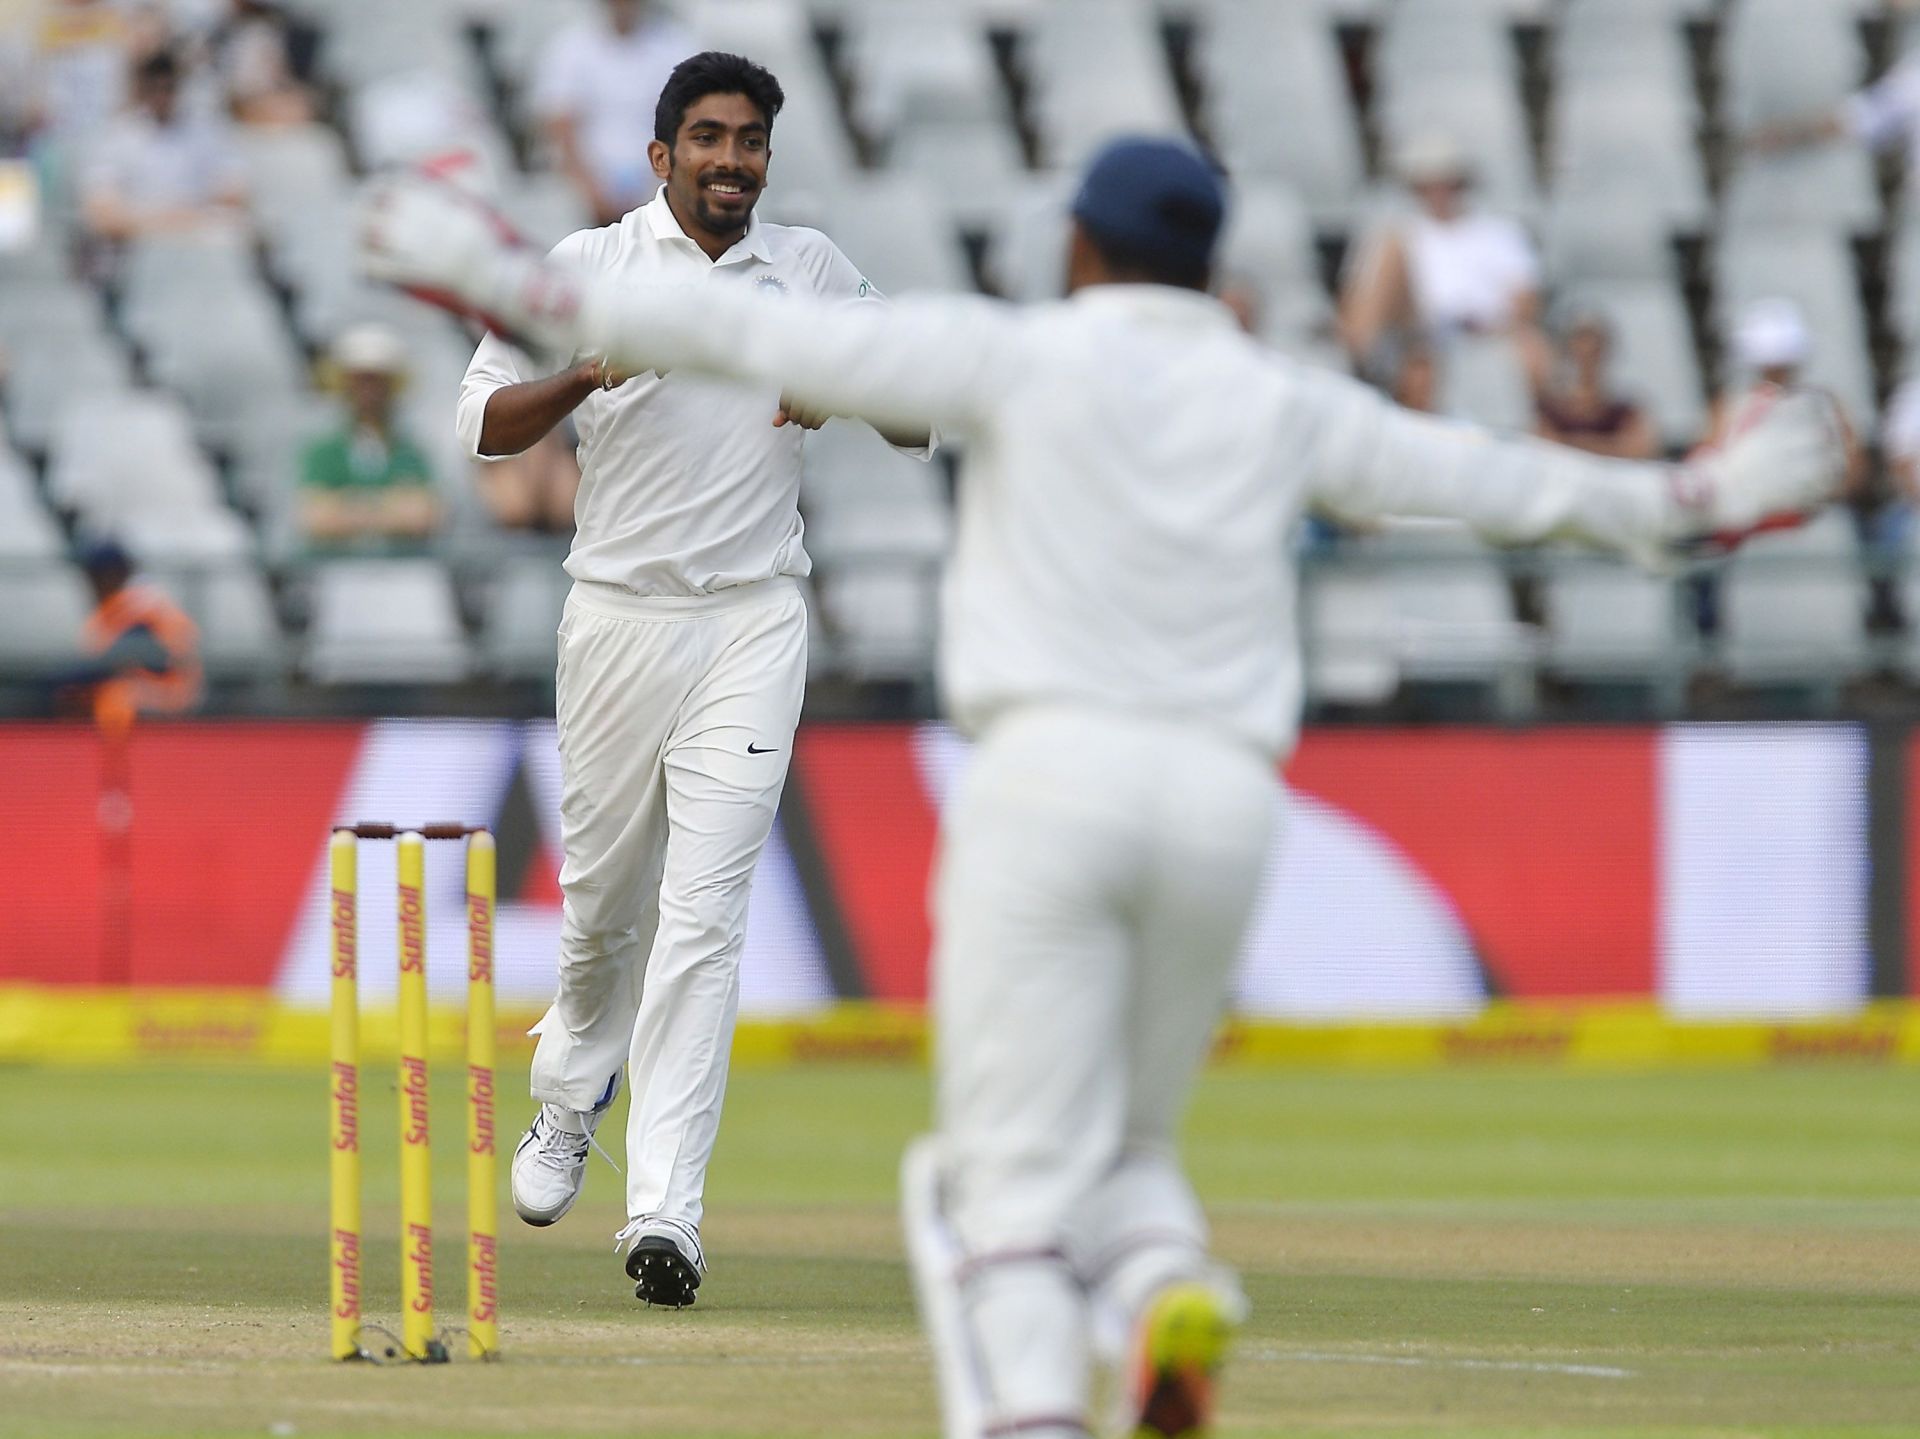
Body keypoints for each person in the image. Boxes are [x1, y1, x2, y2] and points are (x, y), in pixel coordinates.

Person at [362, 138, 1841, 1439]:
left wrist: (469, 257)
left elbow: (676, 317)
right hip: (1220, 808)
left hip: (1048, 788)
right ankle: (1170, 1284)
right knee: (1124, 1152)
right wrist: (1699, 500)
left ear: (1081, 250)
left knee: (982, 1185)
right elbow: (1496, 478)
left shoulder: (1015, 354)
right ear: (1210, 265)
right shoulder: (1278, 397)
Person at [452, 51, 933, 1308]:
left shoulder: (811, 269)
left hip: (754, 620)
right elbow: (486, 425)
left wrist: (843, 380)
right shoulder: (585, 270)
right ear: (660, 155)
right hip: (615, 613)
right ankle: (567, 1099)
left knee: (705, 916)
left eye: (754, 140)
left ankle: (665, 1210)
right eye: (710, 137)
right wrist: (589, 371)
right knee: (606, 904)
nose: (734, 160)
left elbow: (923, 409)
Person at [1338, 132, 1546, 384]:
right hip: (1417, 324)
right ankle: (1354, 365)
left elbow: (1526, 300)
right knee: (1387, 252)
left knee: (1533, 348)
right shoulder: (1403, 233)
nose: (1437, 192)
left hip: (1483, 327)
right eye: (1427, 183)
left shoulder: (1500, 233)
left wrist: (1493, 325)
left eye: (1445, 181)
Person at [530, 0, 697, 225]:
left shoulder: (677, 44)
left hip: (659, 180)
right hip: (584, 189)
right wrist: (591, 191)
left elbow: (689, 122)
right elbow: (560, 128)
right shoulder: (569, 46)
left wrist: (656, 186)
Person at [79, 47, 246, 244]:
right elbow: (100, 209)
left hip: (195, 241)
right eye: (154, 88)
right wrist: (158, 222)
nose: (161, 96)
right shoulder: (119, 135)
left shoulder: (208, 131)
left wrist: (179, 220)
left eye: (168, 88)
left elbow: (235, 194)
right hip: (137, 243)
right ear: (142, 90)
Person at [299, 323, 440, 555]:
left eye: (376, 380)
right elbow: (315, 517)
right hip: (337, 575)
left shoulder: (410, 450)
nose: (368, 390)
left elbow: (425, 515)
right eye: (360, 380)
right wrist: (391, 509)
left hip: (405, 572)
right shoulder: (323, 451)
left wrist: (347, 508)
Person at [60, 539, 202, 733]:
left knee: (115, 698)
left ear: (113, 574)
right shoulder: (116, 605)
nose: (91, 582)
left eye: (95, 575)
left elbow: (131, 657)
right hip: (150, 691)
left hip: (169, 696)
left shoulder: (138, 604)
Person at [1534, 311, 1660, 461]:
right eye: (1580, 342)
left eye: (1595, 346)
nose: (1587, 351)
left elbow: (1640, 450)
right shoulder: (1551, 408)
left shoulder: (1625, 408)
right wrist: (1609, 446)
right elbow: (1543, 449)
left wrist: (1573, 443)